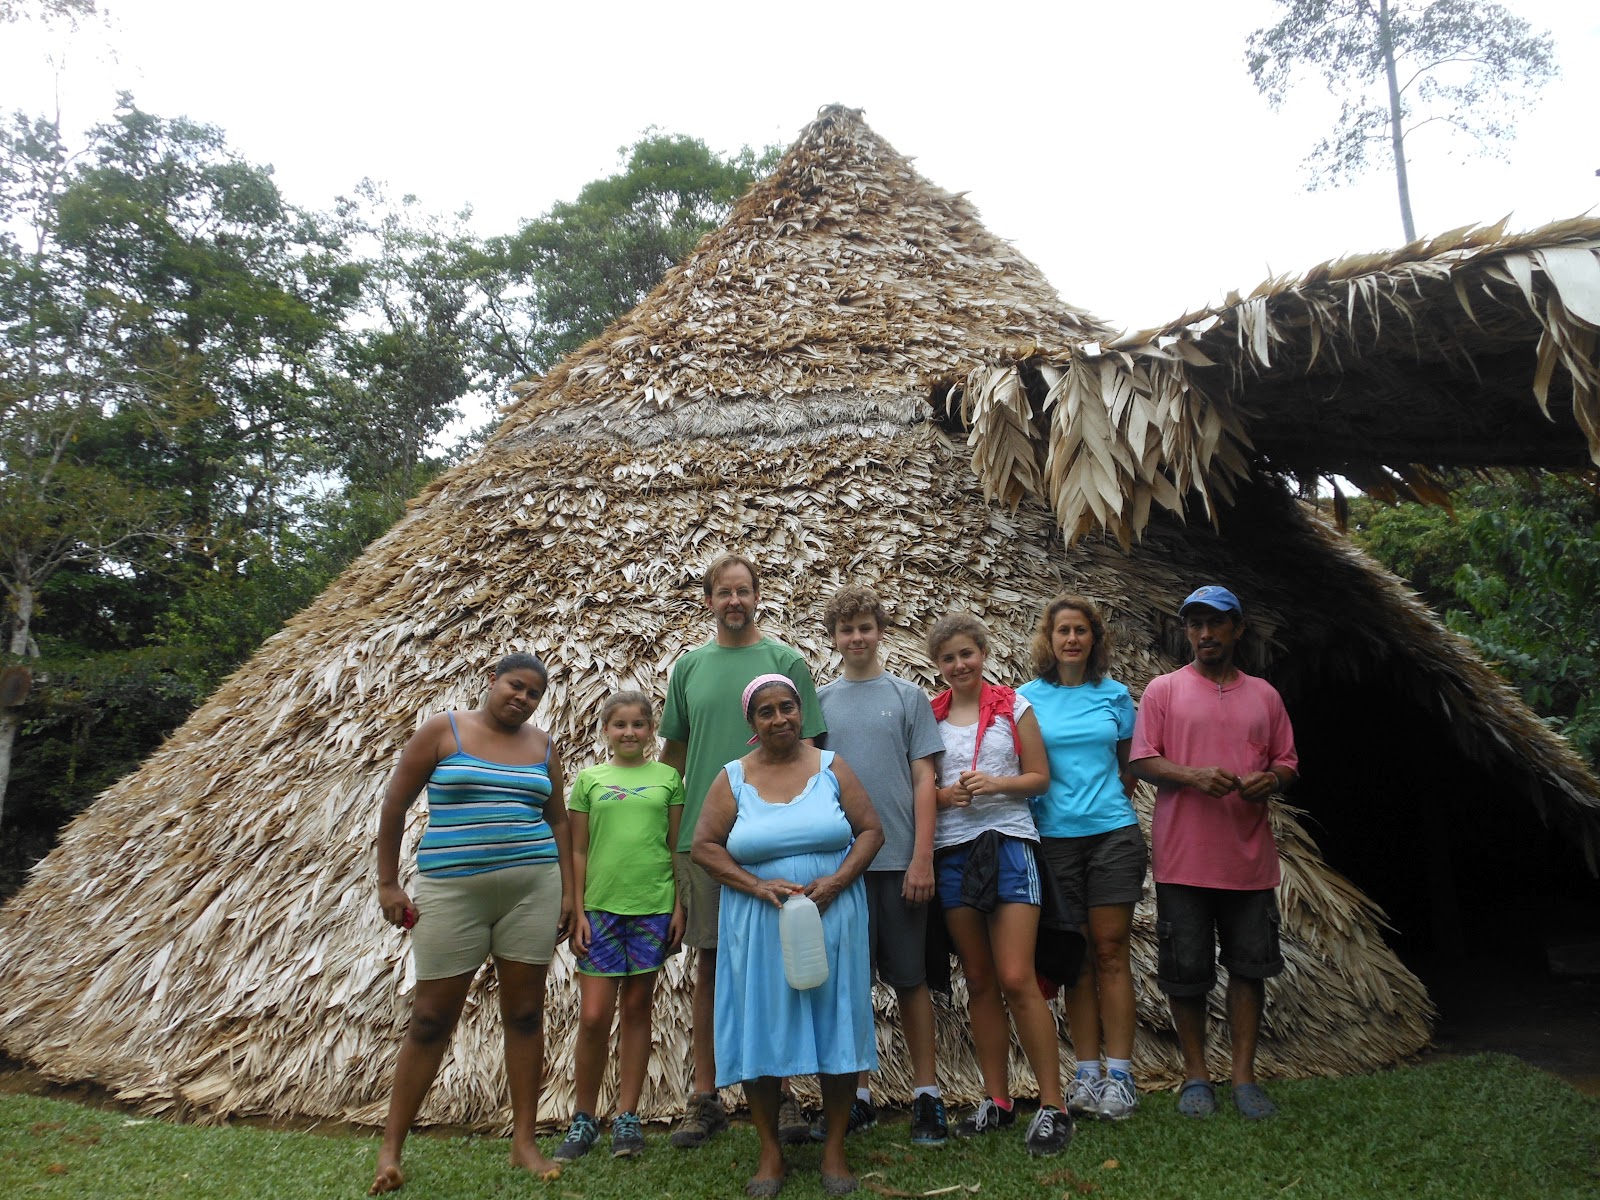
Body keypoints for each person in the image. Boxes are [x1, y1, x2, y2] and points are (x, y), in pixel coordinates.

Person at [370, 652, 574, 1194]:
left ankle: (524, 1141)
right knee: (432, 1019)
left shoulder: (543, 746)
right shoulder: (444, 730)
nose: (522, 698)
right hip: (451, 891)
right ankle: (391, 1149)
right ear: (491, 680)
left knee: (527, 1014)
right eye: (515, 685)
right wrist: (388, 883)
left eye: (533, 693)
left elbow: (557, 820)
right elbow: (395, 805)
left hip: (532, 890)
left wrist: (569, 896)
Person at [692, 674, 884, 1197]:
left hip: (833, 913)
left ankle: (835, 1148)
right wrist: (755, 885)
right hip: (760, 921)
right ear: (752, 723)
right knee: (763, 1024)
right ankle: (770, 1151)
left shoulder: (831, 766)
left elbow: (871, 829)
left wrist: (839, 881)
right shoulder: (732, 777)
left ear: (802, 713)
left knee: (835, 1021)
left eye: (787, 708)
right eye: (766, 712)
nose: (779, 719)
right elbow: (705, 846)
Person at [660, 553, 826, 1149]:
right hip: (705, 843)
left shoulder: (784, 662)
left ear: (758, 597)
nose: (734, 601)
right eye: (723, 592)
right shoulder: (689, 668)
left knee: (772, 965)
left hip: (775, 836)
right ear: (709, 600)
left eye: (744, 591)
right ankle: (704, 1096)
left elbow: (810, 749)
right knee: (709, 966)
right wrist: (670, 838)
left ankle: (779, 1095)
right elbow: (674, 761)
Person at [1129, 585, 1299, 1121]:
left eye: (1216, 623)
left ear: (1237, 629)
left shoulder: (1265, 696)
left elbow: (1289, 762)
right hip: (1184, 860)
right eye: (1195, 624)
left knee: (1250, 969)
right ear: (1187, 632)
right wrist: (1193, 775)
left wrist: (1270, 779)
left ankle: (1244, 1077)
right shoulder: (1164, 690)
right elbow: (1142, 760)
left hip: (1248, 861)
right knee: (1187, 972)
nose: (1205, 634)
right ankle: (1196, 1075)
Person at [926, 613, 1073, 1157]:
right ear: (936, 665)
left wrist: (996, 784)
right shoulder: (931, 715)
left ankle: (1054, 1106)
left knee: (1017, 977)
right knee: (980, 978)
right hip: (953, 851)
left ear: (982, 652)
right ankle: (998, 1099)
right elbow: (925, 788)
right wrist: (944, 798)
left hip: (1009, 842)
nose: (959, 665)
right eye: (948, 658)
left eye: (967, 653)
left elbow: (1039, 777)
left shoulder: (1014, 706)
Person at [815, 586, 948, 1144]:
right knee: (853, 984)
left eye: (866, 627)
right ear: (835, 638)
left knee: (911, 979)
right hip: (843, 866)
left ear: (880, 630)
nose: (857, 638)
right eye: (847, 630)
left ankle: (926, 1095)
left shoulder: (908, 696)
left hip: (899, 862)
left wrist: (922, 856)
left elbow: (925, 778)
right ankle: (859, 1096)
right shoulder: (819, 701)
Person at [1019, 595, 1144, 1121]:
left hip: (1112, 833)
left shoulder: (1115, 696)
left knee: (1112, 948)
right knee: (1077, 956)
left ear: (1094, 639)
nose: (1071, 639)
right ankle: (1086, 1073)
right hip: (1053, 840)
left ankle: (1121, 1074)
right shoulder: (1025, 698)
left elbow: (1129, 766)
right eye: (1062, 630)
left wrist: (1102, 802)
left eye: (1081, 631)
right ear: (1048, 640)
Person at [553, 691, 685, 1161]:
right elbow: (578, 850)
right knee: (592, 1017)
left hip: (652, 906)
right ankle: (583, 1117)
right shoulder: (589, 780)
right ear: (606, 730)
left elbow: (674, 847)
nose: (629, 732)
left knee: (636, 1010)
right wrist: (578, 908)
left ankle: (628, 1117)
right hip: (601, 911)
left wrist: (678, 906)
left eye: (638, 724)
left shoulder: (669, 779)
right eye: (620, 725)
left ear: (652, 731)